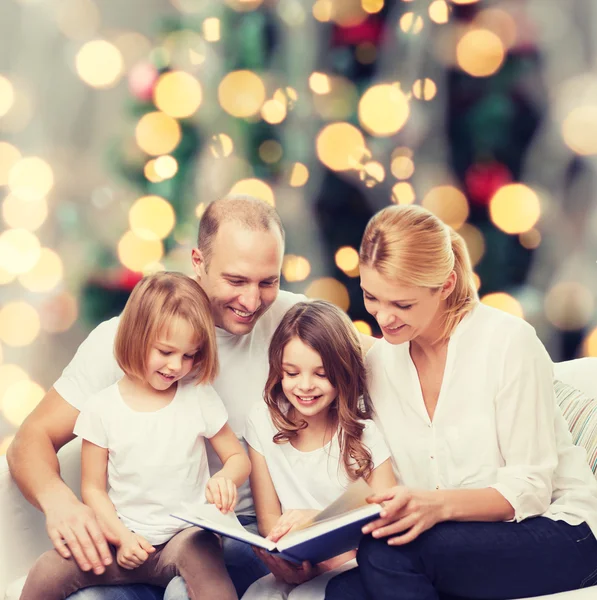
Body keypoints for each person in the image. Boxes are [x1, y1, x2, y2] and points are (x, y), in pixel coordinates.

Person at [7, 196, 327, 600]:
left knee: (188, 584)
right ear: (198, 261)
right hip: (131, 531)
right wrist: (61, 503)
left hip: (232, 530)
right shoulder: (128, 338)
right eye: (236, 280)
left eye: (268, 281)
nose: (251, 301)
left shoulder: (293, 321)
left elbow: (376, 355)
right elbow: (29, 440)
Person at [325, 204, 597, 600]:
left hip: (561, 531)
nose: (384, 318)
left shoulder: (507, 342)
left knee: (387, 556)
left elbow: (530, 489)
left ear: (447, 284)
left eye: (402, 304)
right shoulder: (378, 365)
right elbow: (378, 476)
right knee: (343, 593)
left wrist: (434, 506)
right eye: (371, 297)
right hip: (460, 541)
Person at [20, 272, 250, 600]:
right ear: (137, 337)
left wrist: (227, 477)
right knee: (48, 570)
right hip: (122, 540)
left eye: (189, 355)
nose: (176, 366)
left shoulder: (198, 396)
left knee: (205, 560)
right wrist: (121, 537)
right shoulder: (101, 408)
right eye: (166, 351)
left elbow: (237, 458)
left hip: (184, 538)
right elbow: (93, 490)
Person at [243, 300, 396, 600]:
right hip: (295, 563)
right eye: (291, 372)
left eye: (321, 374)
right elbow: (269, 520)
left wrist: (316, 525)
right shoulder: (262, 420)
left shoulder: (366, 435)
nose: (305, 386)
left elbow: (386, 521)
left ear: (343, 372)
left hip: (353, 566)